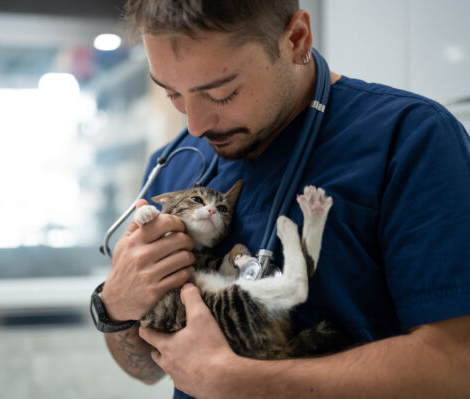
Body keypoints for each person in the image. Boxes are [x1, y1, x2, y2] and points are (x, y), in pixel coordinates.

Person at [92, 1, 470, 398]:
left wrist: (241, 382)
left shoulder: (410, 139)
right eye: (172, 94)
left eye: (221, 93)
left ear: (296, 39)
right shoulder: (178, 165)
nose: (195, 125)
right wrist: (115, 305)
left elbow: (456, 364)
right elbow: (145, 371)